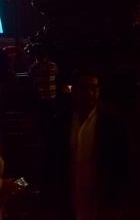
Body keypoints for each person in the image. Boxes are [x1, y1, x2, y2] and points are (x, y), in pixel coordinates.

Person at [45, 70, 130, 220]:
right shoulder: (61, 122)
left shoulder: (112, 122)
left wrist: (118, 194)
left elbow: (122, 160)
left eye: (94, 88)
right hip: (71, 191)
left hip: (101, 193)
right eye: (85, 88)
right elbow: (52, 158)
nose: (90, 93)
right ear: (74, 91)